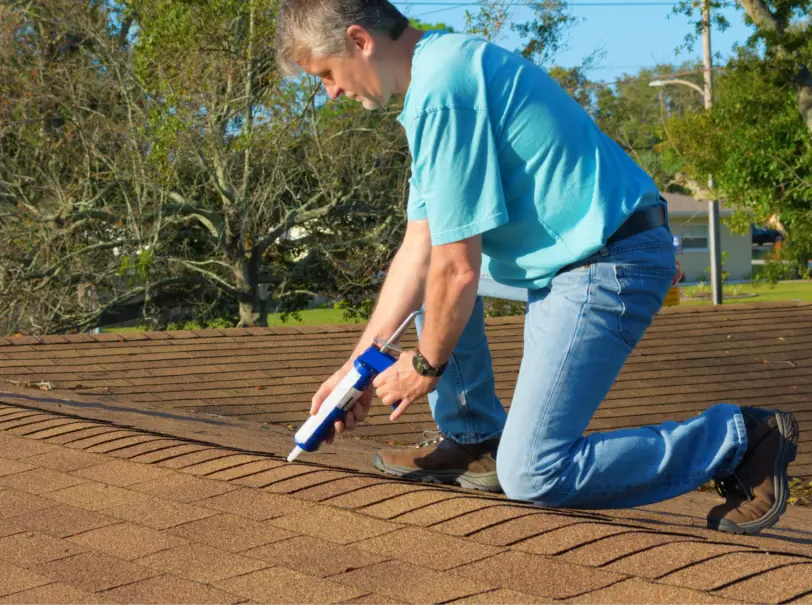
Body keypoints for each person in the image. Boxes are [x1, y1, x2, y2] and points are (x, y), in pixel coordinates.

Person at [275, 0, 800, 535]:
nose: (331, 92)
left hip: (607, 260)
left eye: (326, 75)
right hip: (582, 251)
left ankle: (738, 437)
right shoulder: (438, 75)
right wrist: (355, 370)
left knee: (532, 472)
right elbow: (421, 249)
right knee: (435, 285)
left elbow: (457, 268)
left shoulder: (444, 92)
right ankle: (476, 438)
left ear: (360, 41)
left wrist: (427, 366)